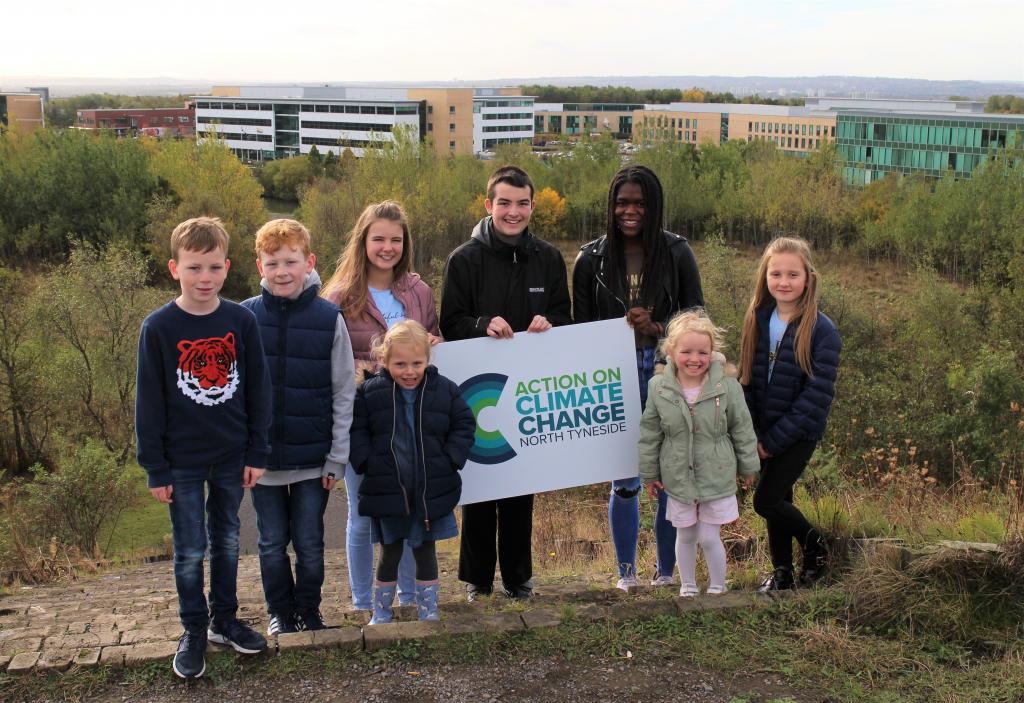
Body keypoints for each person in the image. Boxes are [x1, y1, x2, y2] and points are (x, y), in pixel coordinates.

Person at [135, 216, 271, 679]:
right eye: (194, 268)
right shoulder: (158, 328)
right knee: (191, 548)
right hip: (182, 461)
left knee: (228, 540)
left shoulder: (241, 321)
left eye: (214, 267)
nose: (205, 278)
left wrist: (257, 451)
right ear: (175, 268)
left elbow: (258, 391)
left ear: (227, 267)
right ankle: (193, 629)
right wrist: (155, 467)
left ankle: (224, 620)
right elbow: (148, 403)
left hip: (232, 455)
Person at [440, 165, 571, 601]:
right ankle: (477, 580)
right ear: (488, 205)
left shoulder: (548, 258)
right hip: (479, 388)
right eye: (504, 203)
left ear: (532, 206)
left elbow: (565, 317)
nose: (513, 212)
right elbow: (450, 322)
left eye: (522, 203)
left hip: (528, 389)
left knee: (520, 485)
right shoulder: (463, 260)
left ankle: (518, 579)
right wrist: (482, 324)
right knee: (481, 485)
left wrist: (549, 323)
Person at [573, 164, 704, 590]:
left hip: (665, 372)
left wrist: (658, 327)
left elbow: (698, 320)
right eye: (622, 203)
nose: (629, 211)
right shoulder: (590, 260)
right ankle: (625, 574)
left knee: (668, 477)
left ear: (654, 207)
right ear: (611, 206)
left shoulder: (677, 253)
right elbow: (580, 329)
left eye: (640, 204)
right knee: (625, 479)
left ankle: (665, 573)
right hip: (614, 374)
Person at [322, 200, 439, 611]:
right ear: (363, 241)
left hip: (413, 419)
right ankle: (362, 602)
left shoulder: (419, 292)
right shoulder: (339, 296)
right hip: (364, 422)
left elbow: (431, 342)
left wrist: (433, 344)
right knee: (362, 514)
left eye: (395, 239)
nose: (387, 247)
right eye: (379, 239)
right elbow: (329, 360)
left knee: (406, 511)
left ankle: (407, 598)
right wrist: (374, 366)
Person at [241, 219, 355, 636]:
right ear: (260, 266)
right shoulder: (245, 317)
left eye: (291, 262)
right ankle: (280, 613)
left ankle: (309, 610)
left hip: (313, 461)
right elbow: (235, 394)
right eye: (272, 263)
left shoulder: (329, 318)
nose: (282, 271)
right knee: (271, 542)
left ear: (309, 263)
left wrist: (337, 456)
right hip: (263, 461)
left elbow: (343, 390)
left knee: (309, 542)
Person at [349, 321, 476, 623]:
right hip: (388, 489)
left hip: (429, 490)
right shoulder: (369, 393)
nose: (409, 371)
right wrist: (366, 462)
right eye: (400, 364)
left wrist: (450, 459)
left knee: (425, 551)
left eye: (417, 363)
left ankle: (428, 608)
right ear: (385, 360)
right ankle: (381, 611)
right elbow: (356, 431)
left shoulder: (444, 390)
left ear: (427, 359)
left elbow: (464, 424)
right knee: (389, 552)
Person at [739, 236, 841, 592]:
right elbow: (746, 379)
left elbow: (817, 395)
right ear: (765, 276)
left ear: (808, 278)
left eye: (793, 274)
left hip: (799, 432)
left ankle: (817, 548)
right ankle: (782, 572)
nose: (784, 282)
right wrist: (752, 433)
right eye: (776, 273)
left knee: (765, 501)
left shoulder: (822, 330)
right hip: (762, 428)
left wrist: (772, 442)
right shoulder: (758, 318)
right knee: (779, 499)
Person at [638, 311, 759, 597]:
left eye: (703, 352)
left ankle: (718, 586)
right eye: (687, 352)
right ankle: (688, 586)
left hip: (716, 473)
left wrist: (748, 466)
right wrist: (650, 474)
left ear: (712, 352)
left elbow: (742, 428)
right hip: (678, 476)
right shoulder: (658, 388)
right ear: (671, 352)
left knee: (707, 535)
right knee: (686, 534)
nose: (695, 359)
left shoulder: (727, 387)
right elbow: (650, 433)